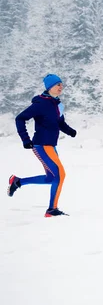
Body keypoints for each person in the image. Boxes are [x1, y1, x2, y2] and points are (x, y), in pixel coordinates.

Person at [7, 74, 77, 217]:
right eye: (58, 85)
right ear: (49, 87)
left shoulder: (58, 105)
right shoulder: (40, 104)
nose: (60, 87)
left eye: (61, 85)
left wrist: (70, 131)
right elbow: (20, 118)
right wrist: (25, 139)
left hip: (51, 145)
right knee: (60, 174)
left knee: (51, 178)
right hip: (41, 145)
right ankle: (52, 209)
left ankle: (17, 182)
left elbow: (59, 122)